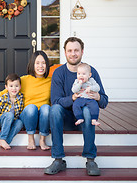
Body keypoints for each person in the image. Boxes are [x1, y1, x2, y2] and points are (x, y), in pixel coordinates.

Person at [44, 37, 108, 176]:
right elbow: (56, 101)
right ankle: (58, 159)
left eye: (76, 50)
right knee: (54, 109)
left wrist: (97, 97)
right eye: (70, 50)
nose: (73, 54)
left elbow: (104, 102)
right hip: (66, 119)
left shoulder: (91, 72)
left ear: (82, 51)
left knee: (86, 110)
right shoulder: (59, 73)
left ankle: (90, 159)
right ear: (65, 53)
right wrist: (73, 98)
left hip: (85, 120)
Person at [0, 51, 51, 151]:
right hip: (28, 117)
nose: (41, 66)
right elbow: (2, 94)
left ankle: (42, 140)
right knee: (31, 107)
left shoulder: (51, 81)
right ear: (32, 64)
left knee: (46, 108)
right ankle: (30, 139)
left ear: (47, 65)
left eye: (43, 63)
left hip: (43, 119)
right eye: (37, 63)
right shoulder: (24, 80)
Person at [0, 73, 24, 150]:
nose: (14, 88)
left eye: (16, 86)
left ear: (20, 87)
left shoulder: (21, 98)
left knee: (20, 123)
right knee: (9, 115)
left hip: (12, 121)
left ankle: (7, 141)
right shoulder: (3, 98)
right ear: (6, 87)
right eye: (11, 86)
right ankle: (2, 138)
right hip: (2, 122)